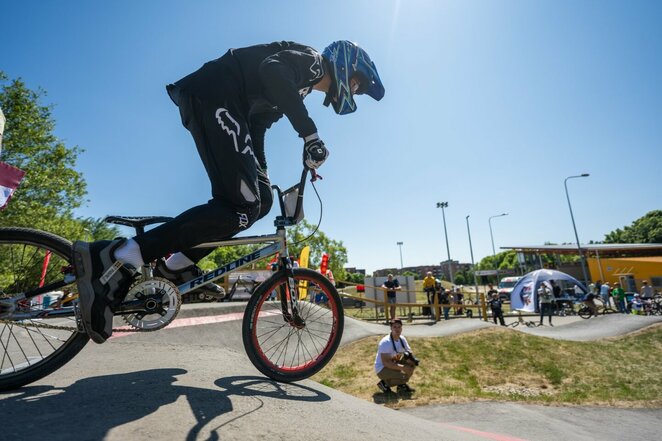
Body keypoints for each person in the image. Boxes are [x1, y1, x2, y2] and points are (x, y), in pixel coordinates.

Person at [71, 41, 385, 343]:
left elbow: (258, 124)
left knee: (259, 203)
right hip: (214, 96)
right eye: (358, 83)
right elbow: (273, 70)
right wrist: (310, 134)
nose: (355, 90)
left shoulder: (300, 88)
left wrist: (260, 174)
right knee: (241, 204)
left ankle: (175, 267)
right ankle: (117, 255)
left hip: (225, 106)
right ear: (346, 65)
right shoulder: (313, 61)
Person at [374, 319, 416, 394]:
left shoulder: (402, 339)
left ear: (401, 328)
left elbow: (409, 352)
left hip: (394, 361)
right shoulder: (385, 342)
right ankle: (384, 383)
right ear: (391, 328)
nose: (397, 329)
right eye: (395, 327)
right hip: (382, 368)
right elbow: (386, 363)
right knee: (404, 376)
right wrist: (403, 367)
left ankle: (401, 386)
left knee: (411, 365)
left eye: (399, 327)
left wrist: (411, 360)